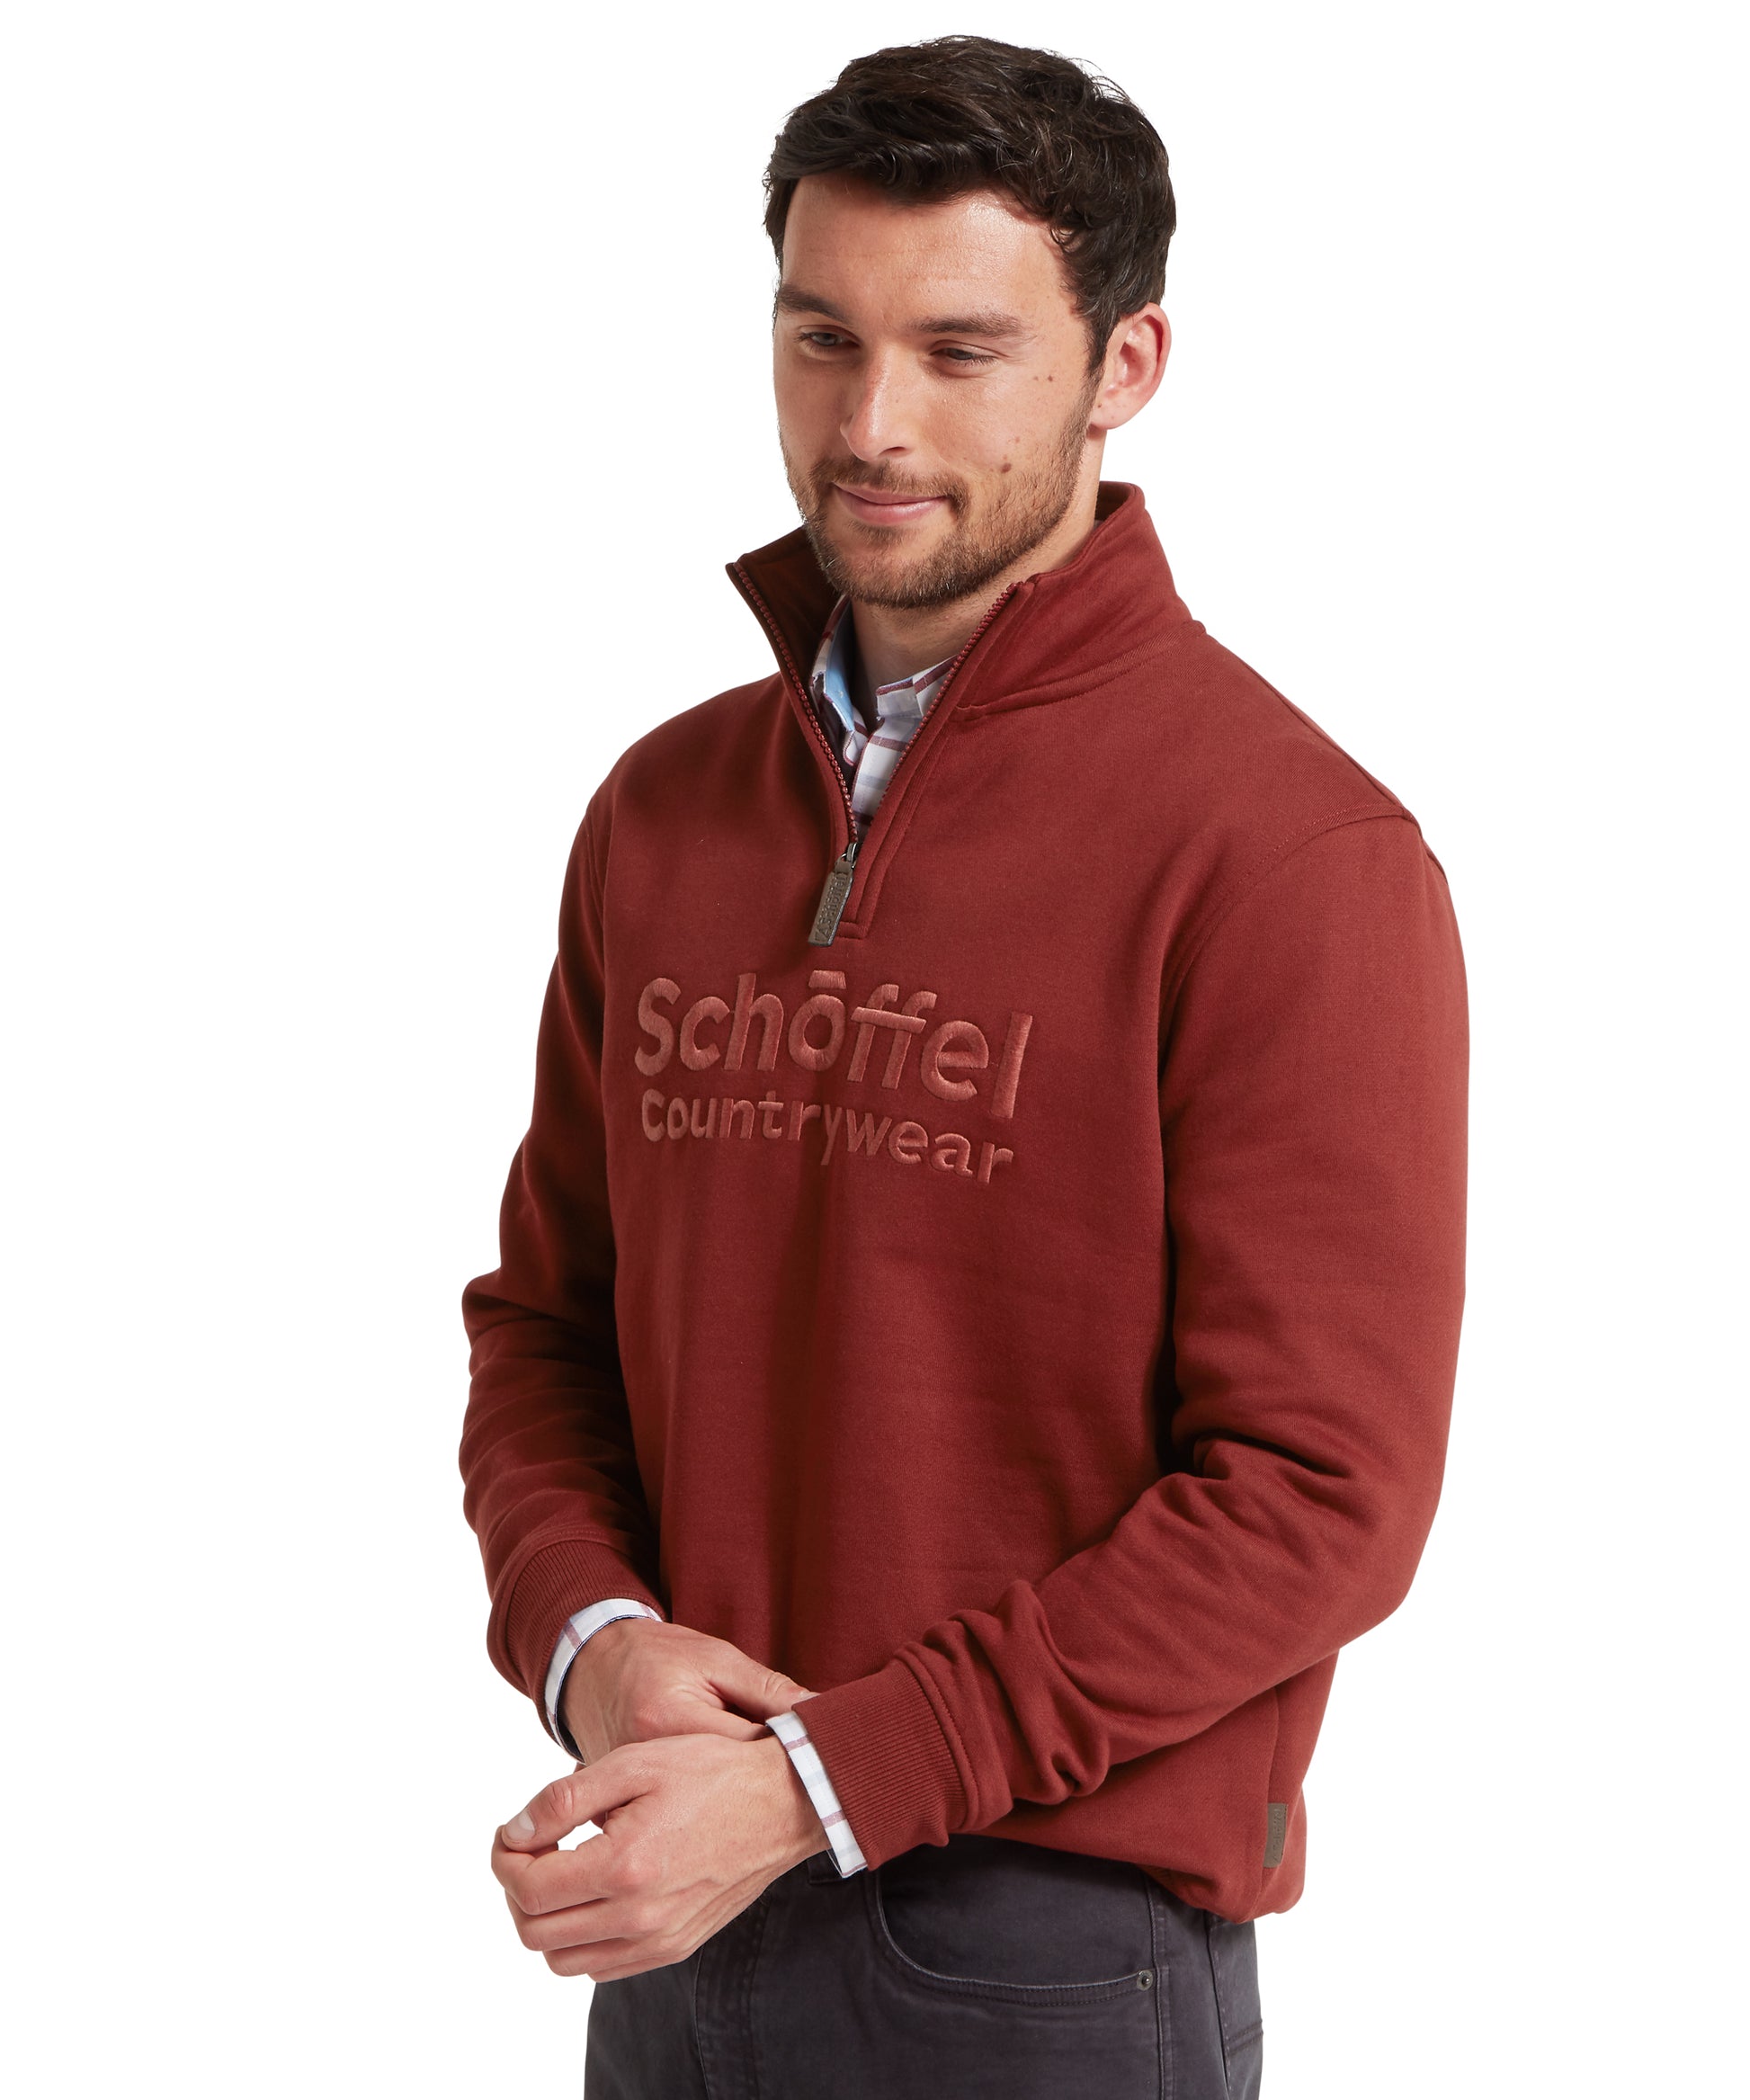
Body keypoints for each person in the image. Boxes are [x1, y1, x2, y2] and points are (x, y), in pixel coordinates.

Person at [460, 34, 1468, 2099]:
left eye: (960, 350)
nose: (871, 424)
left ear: (1123, 365)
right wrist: (592, 1645)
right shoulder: (662, 815)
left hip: (1044, 1947)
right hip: (676, 1911)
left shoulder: (1288, 851)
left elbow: (1318, 1499)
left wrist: (827, 1776)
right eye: (820, 337)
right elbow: (547, 1326)